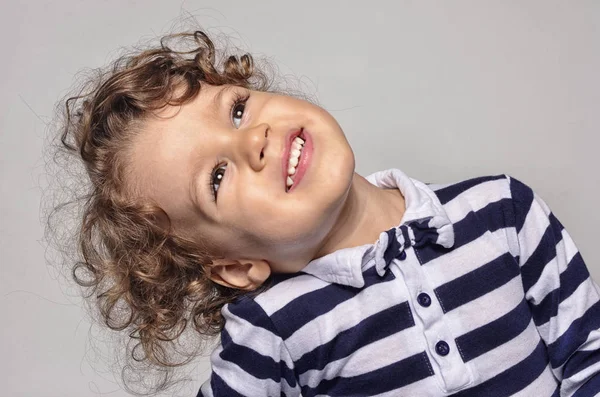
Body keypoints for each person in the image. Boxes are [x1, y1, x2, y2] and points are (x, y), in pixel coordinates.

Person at [51, 29, 600, 396]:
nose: (255, 142)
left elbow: (588, 354)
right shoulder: (272, 333)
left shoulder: (501, 212)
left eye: (237, 110)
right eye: (216, 178)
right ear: (236, 265)